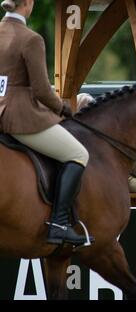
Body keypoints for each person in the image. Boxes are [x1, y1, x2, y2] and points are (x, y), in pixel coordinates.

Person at [0, 0, 93, 246]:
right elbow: (41, 90)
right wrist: (62, 108)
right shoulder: (31, 39)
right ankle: (59, 224)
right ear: (28, 3)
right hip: (18, 117)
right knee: (78, 154)